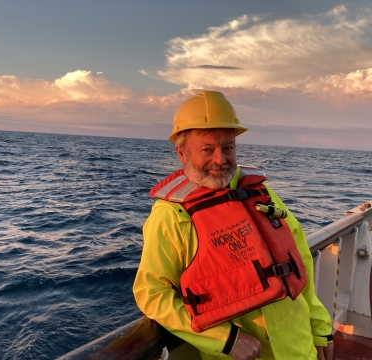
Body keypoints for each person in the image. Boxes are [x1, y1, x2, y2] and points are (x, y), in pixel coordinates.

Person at [133, 91, 334, 360]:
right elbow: (151, 293)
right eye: (207, 149)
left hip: (301, 348)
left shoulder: (260, 192)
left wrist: (320, 329)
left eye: (228, 147)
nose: (220, 159)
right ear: (181, 153)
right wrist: (225, 340)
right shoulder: (171, 215)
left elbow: (299, 259)